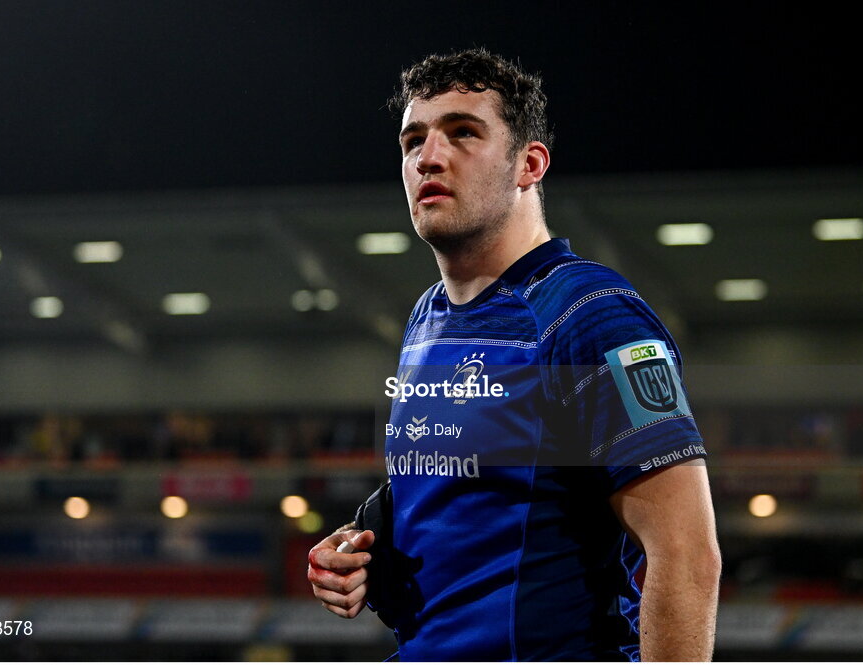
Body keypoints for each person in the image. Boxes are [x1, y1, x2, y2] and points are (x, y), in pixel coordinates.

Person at [308, 48, 720, 661]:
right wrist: (364, 543)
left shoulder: (593, 315)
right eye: (413, 140)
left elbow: (686, 555)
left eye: (463, 133)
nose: (429, 157)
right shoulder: (428, 316)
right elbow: (457, 486)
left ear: (529, 164)